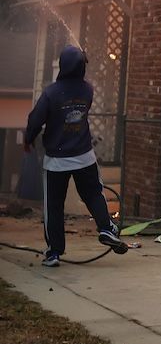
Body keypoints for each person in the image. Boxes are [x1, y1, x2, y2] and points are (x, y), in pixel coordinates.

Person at [24, 45, 127, 266]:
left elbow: (35, 120)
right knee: (93, 194)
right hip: (83, 156)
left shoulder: (51, 93)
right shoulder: (87, 91)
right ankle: (106, 228)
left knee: (54, 205)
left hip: (56, 161)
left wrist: (28, 139)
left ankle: (53, 253)